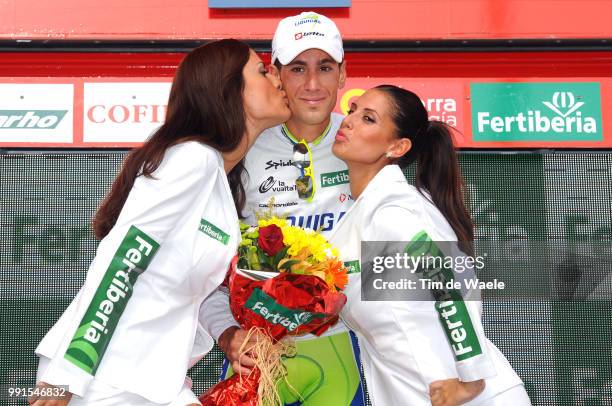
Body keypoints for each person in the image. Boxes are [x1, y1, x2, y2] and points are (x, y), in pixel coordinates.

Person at [30, 39, 290, 406]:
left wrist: (228, 333)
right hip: (104, 380)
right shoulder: (192, 159)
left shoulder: (220, 179)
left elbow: (192, 291)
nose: (277, 79)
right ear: (230, 90)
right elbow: (124, 256)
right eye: (262, 71)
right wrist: (68, 375)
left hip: (156, 381)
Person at [199, 12, 366, 406]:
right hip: (258, 353)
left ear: (342, 75)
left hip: (346, 349)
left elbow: (395, 262)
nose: (311, 84)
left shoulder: (367, 141)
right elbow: (204, 264)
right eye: (297, 68)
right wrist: (226, 334)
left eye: (324, 67)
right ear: (275, 74)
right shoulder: (240, 148)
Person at [328, 85, 532, 406]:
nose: (348, 121)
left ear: (397, 146)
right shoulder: (360, 217)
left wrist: (471, 379)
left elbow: (452, 285)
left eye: (367, 118)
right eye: (352, 109)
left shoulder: (394, 210)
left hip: (472, 398)